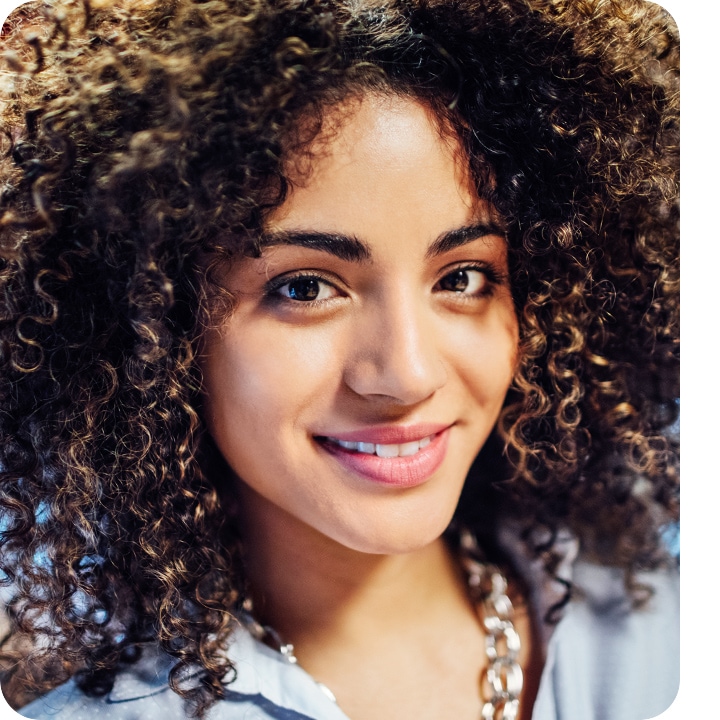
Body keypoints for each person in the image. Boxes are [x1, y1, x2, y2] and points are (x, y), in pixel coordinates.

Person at [0, 0, 679, 719]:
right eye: (305, 287)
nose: (407, 374)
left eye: (463, 278)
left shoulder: (667, 628)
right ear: (154, 331)